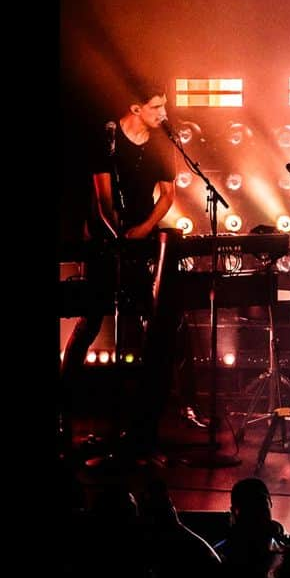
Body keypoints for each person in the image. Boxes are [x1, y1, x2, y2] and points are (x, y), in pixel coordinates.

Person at [59, 79, 200, 455]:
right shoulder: (106, 140)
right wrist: (116, 236)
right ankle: (63, 409)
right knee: (91, 320)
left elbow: (168, 195)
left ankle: (152, 413)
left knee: (152, 321)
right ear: (136, 109)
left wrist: (143, 230)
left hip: (139, 239)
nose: (164, 114)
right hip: (106, 239)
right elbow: (102, 199)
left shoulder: (161, 145)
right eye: (157, 108)